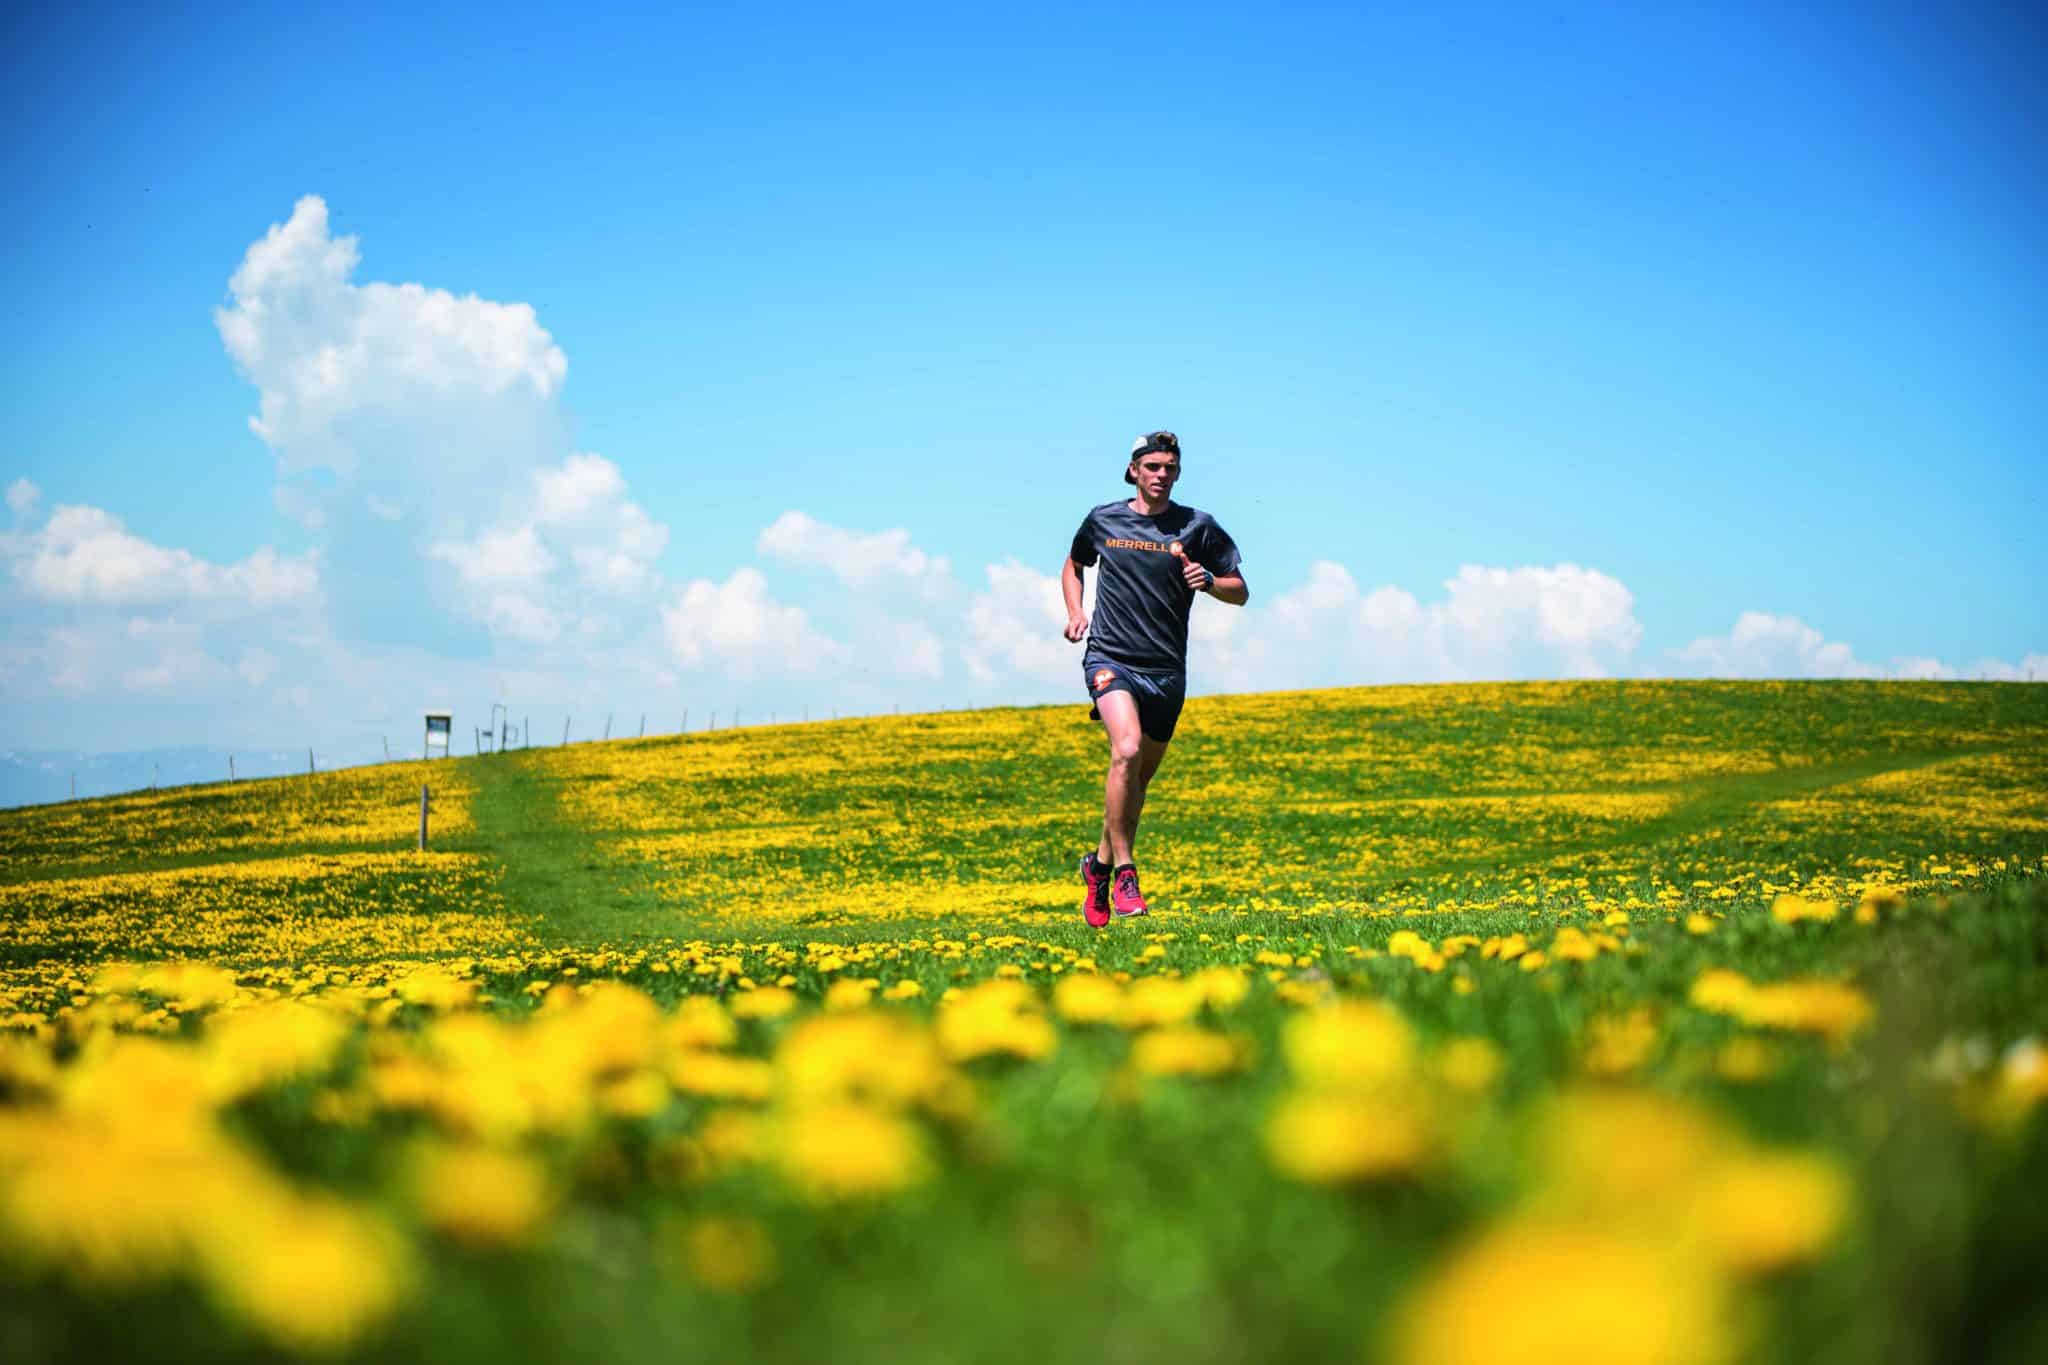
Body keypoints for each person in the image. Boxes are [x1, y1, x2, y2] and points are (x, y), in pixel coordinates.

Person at [1062, 430, 1248, 926]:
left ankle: (1097, 869)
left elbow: (1240, 590)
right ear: (1134, 471)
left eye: (1169, 467)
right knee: (1125, 751)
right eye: (1153, 467)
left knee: (1136, 783)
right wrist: (1076, 611)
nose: (1161, 475)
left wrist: (1208, 582)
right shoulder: (1104, 519)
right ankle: (1125, 873)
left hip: (1166, 671)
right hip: (1111, 657)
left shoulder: (1197, 526)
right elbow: (1075, 563)